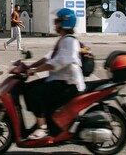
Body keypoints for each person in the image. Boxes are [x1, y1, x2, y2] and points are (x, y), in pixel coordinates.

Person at [21, 8, 85, 141]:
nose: (55, 24)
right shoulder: (63, 40)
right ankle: (42, 121)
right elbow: (48, 57)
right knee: (27, 89)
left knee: (34, 94)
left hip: (68, 84)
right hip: (58, 79)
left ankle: (42, 128)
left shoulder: (70, 41)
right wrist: (30, 66)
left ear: (65, 24)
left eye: (57, 21)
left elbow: (58, 62)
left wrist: (35, 71)